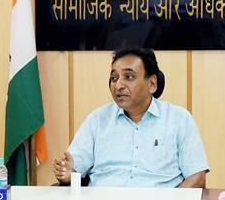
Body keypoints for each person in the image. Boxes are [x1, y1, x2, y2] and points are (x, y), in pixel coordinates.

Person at [54, 48, 209, 188]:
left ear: (152, 84)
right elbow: (73, 169)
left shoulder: (179, 119)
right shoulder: (97, 120)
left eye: (129, 77)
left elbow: (197, 177)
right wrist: (67, 173)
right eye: (114, 78)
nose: (118, 85)